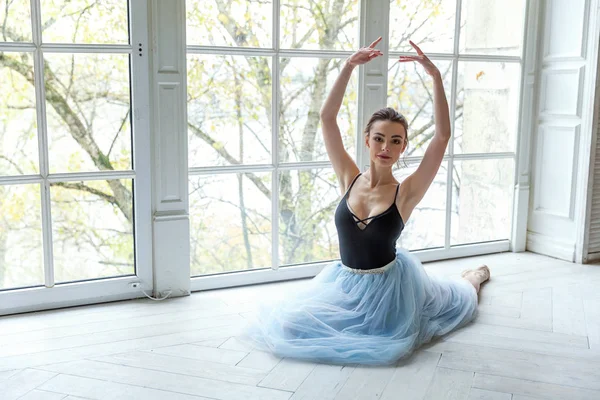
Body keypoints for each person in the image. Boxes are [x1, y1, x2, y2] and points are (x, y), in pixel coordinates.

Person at [242, 38, 490, 365]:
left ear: (403, 148)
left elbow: (442, 137)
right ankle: (469, 278)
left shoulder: (407, 192)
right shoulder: (349, 177)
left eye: (395, 141)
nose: (386, 146)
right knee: (290, 326)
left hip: (389, 289)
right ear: (367, 140)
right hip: (343, 283)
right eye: (379, 138)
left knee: (449, 305)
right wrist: (348, 67)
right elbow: (327, 119)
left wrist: (435, 77)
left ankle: (475, 277)